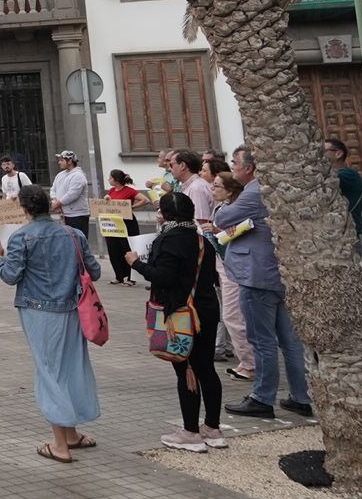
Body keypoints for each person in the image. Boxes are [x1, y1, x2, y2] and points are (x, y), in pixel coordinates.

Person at [0, 184, 101, 463]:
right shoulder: (73, 234)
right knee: (71, 366)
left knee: (49, 371)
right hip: (72, 309)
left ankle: (60, 445)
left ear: (24, 208)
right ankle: (72, 434)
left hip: (38, 311)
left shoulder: (21, 237)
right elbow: (95, 271)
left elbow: (11, 275)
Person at [215, 147, 312, 420]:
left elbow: (221, 219)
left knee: (262, 340)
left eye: (235, 163)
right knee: (289, 341)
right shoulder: (277, 187)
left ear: (249, 168)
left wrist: (226, 202)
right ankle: (301, 396)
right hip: (279, 273)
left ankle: (262, 397)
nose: (232, 168)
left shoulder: (254, 191)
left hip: (258, 275)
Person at [126, 192, 224, 452]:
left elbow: (163, 277)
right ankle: (213, 428)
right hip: (206, 309)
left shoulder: (168, 240)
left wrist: (136, 264)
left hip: (181, 313)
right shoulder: (202, 240)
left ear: (166, 215)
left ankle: (191, 432)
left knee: (186, 370)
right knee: (207, 369)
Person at [209, 171, 255, 381]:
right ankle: (246, 361)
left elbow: (236, 231)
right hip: (223, 262)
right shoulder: (223, 206)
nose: (212, 189)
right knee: (232, 314)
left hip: (232, 264)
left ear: (230, 189)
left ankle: (249, 363)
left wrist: (216, 230)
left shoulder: (234, 209)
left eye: (217, 186)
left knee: (232, 315)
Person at [103, 170, 146, 286]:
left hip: (127, 223)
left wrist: (131, 207)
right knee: (114, 249)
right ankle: (119, 276)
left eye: (110, 178)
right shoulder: (111, 190)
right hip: (114, 223)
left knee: (127, 248)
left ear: (115, 179)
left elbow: (145, 200)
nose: (108, 179)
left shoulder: (129, 190)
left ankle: (131, 278)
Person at [325, 138, 362, 246]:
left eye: (323, 151)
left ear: (338, 154)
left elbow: (323, 181)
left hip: (346, 240)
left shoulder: (348, 174)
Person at [49, 150, 91, 237]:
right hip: (64, 214)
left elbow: (72, 194)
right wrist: (54, 200)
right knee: (68, 242)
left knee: (78, 242)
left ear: (70, 161)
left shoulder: (78, 175)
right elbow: (53, 189)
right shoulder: (60, 175)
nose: (59, 162)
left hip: (77, 215)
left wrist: (57, 204)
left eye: (62, 160)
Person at [169, 149, 213, 220]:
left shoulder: (197, 188)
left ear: (182, 165)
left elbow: (200, 221)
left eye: (171, 165)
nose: (169, 169)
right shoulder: (190, 186)